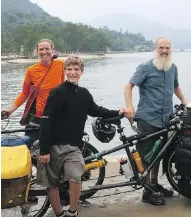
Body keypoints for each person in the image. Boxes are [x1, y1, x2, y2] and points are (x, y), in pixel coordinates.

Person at [37, 56, 127, 217]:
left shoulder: (84, 93)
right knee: (52, 183)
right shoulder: (57, 92)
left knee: (76, 177)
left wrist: (118, 113)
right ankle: (59, 213)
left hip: (73, 147)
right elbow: (46, 121)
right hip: (53, 147)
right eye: (69, 69)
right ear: (65, 71)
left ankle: (72, 211)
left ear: (81, 72)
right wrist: (44, 149)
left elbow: (97, 110)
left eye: (76, 69)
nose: (72, 72)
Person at [124, 36, 188, 205]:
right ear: (155, 49)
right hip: (147, 118)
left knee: (159, 153)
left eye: (167, 48)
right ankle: (147, 192)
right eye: (161, 48)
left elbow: (176, 87)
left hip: (166, 119)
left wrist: (186, 103)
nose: (165, 51)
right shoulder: (145, 67)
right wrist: (130, 106)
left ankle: (154, 185)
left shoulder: (172, 68)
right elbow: (129, 86)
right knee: (147, 156)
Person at [1, 39, 65, 147]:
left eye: (47, 49)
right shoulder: (31, 70)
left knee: (56, 150)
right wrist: (10, 110)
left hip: (57, 117)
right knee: (31, 149)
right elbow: (25, 93)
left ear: (52, 50)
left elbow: (68, 84)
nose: (44, 52)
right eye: (41, 49)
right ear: (37, 51)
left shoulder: (61, 65)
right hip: (37, 118)